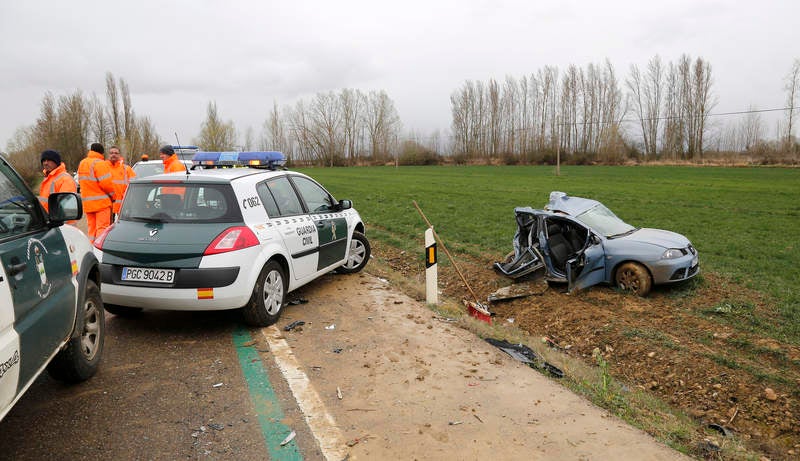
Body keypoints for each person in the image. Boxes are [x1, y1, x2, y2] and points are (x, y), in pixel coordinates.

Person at [77, 142, 115, 243]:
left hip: (88, 204)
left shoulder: (82, 163)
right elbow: (106, 184)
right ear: (102, 153)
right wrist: (113, 196)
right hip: (101, 204)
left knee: (92, 230)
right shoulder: (100, 163)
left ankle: (91, 249)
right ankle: (99, 252)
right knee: (102, 228)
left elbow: (80, 182)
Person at [107, 145, 136, 219]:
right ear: (108, 155)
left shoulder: (127, 169)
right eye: (111, 153)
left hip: (124, 206)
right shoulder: (103, 168)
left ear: (119, 155)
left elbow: (134, 187)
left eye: (116, 153)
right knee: (107, 228)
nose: (113, 154)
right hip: (108, 205)